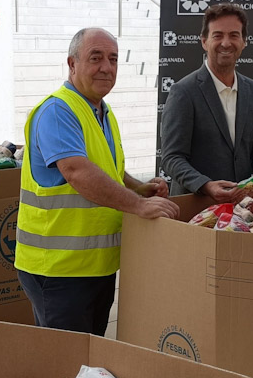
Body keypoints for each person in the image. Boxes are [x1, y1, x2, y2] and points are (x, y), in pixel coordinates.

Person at [15, 27, 179, 336]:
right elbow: (77, 172)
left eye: (113, 59)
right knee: (64, 366)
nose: (106, 67)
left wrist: (137, 186)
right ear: (72, 64)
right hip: (57, 270)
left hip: (95, 266)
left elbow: (106, 169)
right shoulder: (57, 110)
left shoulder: (101, 110)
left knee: (87, 363)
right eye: (96, 57)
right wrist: (139, 204)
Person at [160, 3, 253, 204]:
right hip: (197, 209)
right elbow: (172, 158)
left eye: (234, 35)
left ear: (244, 42)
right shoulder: (184, 92)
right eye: (217, 35)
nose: (226, 42)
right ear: (204, 41)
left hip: (245, 211)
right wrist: (205, 185)